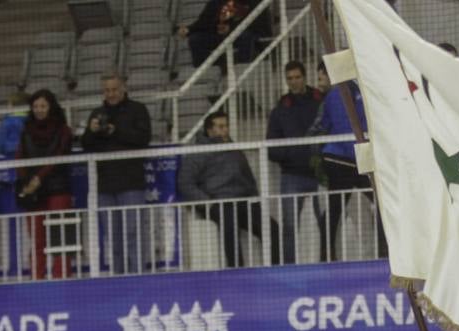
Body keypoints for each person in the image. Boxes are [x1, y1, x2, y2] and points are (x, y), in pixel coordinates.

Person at [178, 111, 279, 269]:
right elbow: (185, 183)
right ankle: (236, 271)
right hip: (219, 202)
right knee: (229, 222)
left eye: (226, 126)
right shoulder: (197, 153)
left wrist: (255, 199)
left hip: (243, 201)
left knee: (272, 227)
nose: (225, 130)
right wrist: (208, 203)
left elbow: (248, 176)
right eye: (221, 126)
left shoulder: (234, 148)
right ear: (209, 130)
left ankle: (277, 270)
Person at [81, 73, 153, 275]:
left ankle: (138, 275)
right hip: (104, 184)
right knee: (112, 236)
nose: (110, 94)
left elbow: (143, 138)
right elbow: (86, 145)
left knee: (133, 232)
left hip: (131, 181)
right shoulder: (97, 113)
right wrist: (91, 131)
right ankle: (118, 277)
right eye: (106, 90)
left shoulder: (138, 110)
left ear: (123, 89)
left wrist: (115, 131)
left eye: (114, 89)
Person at [309, 79, 384, 260]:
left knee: (382, 204)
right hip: (343, 159)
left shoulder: (356, 89)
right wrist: (365, 155)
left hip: (353, 157)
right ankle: (327, 254)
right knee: (340, 208)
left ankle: (386, 251)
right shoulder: (339, 93)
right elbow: (347, 127)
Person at [266, 59, 326, 264]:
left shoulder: (321, 101)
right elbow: (271, 149)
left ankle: (330, 262)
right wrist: (294, 153)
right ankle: (289, 266)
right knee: (290, 225)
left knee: (327, 222)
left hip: (320, 173)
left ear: (304, 77)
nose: (293, 82)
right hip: (292, 175)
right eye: (289, 78)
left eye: (297, 77)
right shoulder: (280, 109)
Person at [16, 88, 76, 280]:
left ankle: (63, 279)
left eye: (43, 106)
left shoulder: (63, 130)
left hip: (58, 189)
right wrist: (27, 182)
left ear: (51, 107)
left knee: (60, 240)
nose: (39, 110)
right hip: (34, 193)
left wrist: (38, 179)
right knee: (37, 241)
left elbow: (58, 157)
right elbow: (20, 158)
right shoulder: (25, 131)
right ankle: (37, 280)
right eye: (35, 106)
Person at [176, 0, 270, 71]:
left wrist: (231, 28)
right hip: (221, 36)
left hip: (243, 34)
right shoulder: (216, 1)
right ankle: (208, 71)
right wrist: (189, 29)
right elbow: (204, 21)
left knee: (245, 37)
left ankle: (242, 69)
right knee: (196, 40)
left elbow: (259, 22)